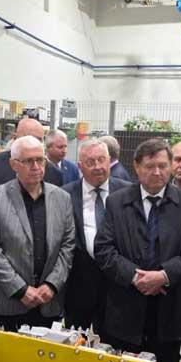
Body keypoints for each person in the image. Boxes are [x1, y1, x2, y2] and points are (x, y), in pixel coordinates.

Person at [95, 138, 181, 362]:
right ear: (136, 167)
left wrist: (164, 275)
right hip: (124, 310)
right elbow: (104, 249)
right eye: (149, 166)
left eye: (163, 166)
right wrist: (136, 277)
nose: (157, 172)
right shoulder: (116, 202)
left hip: (169, 312)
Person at [0, 135, 76, 332]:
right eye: (29, 161)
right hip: (8, 302)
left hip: (48, 303)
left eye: (40, 160)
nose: (36, 167)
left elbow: (67, 246)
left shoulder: (62, 198)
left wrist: (52, 284)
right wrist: (20, 289)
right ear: (14, 164)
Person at [62, 139, 131, 333]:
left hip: (119, 284)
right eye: (90, 162)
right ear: (79, 166)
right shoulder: (64, 195)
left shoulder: (129, 192)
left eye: (102, 160)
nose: (98, 166)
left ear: (110, 161)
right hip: (79, 285)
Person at [0, 118, 63, 187]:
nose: (32, 143)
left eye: (38, 139)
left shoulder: (54, 174)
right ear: (15, 138)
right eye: (28, 138)